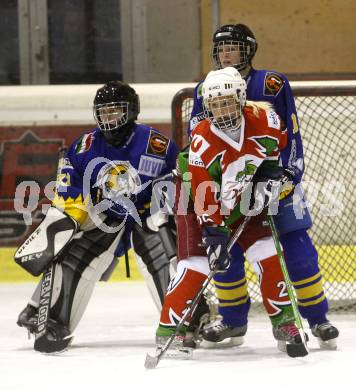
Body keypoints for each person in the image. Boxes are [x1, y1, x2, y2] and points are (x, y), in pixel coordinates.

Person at [189, 24, 339, 349]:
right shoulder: (207, 88)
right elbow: (199, 144)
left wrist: (286, 175)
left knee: (298, 252)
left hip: (278, 183)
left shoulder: (272, 84)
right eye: (222, 48)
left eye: (234, 47)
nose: (227, 53)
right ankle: (232, 321)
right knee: (225, 255)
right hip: (230, 192)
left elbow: (292, 134)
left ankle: (318, 318)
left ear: (249, 50)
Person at [14, 81, 178, 353]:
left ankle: (186, 316)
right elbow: (69, 191)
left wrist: (168, 212)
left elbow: (178, 181)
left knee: (163, 253)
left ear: (132, 111)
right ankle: (49, 315)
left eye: (115, 111)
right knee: (76, 255)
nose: (109, 119)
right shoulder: (84, 146)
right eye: (103, 113)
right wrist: (67, 221)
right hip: (107, 216)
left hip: (146, 214)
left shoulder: (156, 144)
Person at [154, 67, 306, 358]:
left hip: (242, 194)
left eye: (226, 101)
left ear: (241, 98)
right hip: (194, 199)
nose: (220, 110)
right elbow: (204, 195)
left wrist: (269, 177)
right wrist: (214, 236)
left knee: (268, 252)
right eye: (214, 104)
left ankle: (285, 322)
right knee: (197, 266)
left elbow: (275, 151)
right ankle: (169, 331)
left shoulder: (267, 118)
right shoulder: (203, 141)